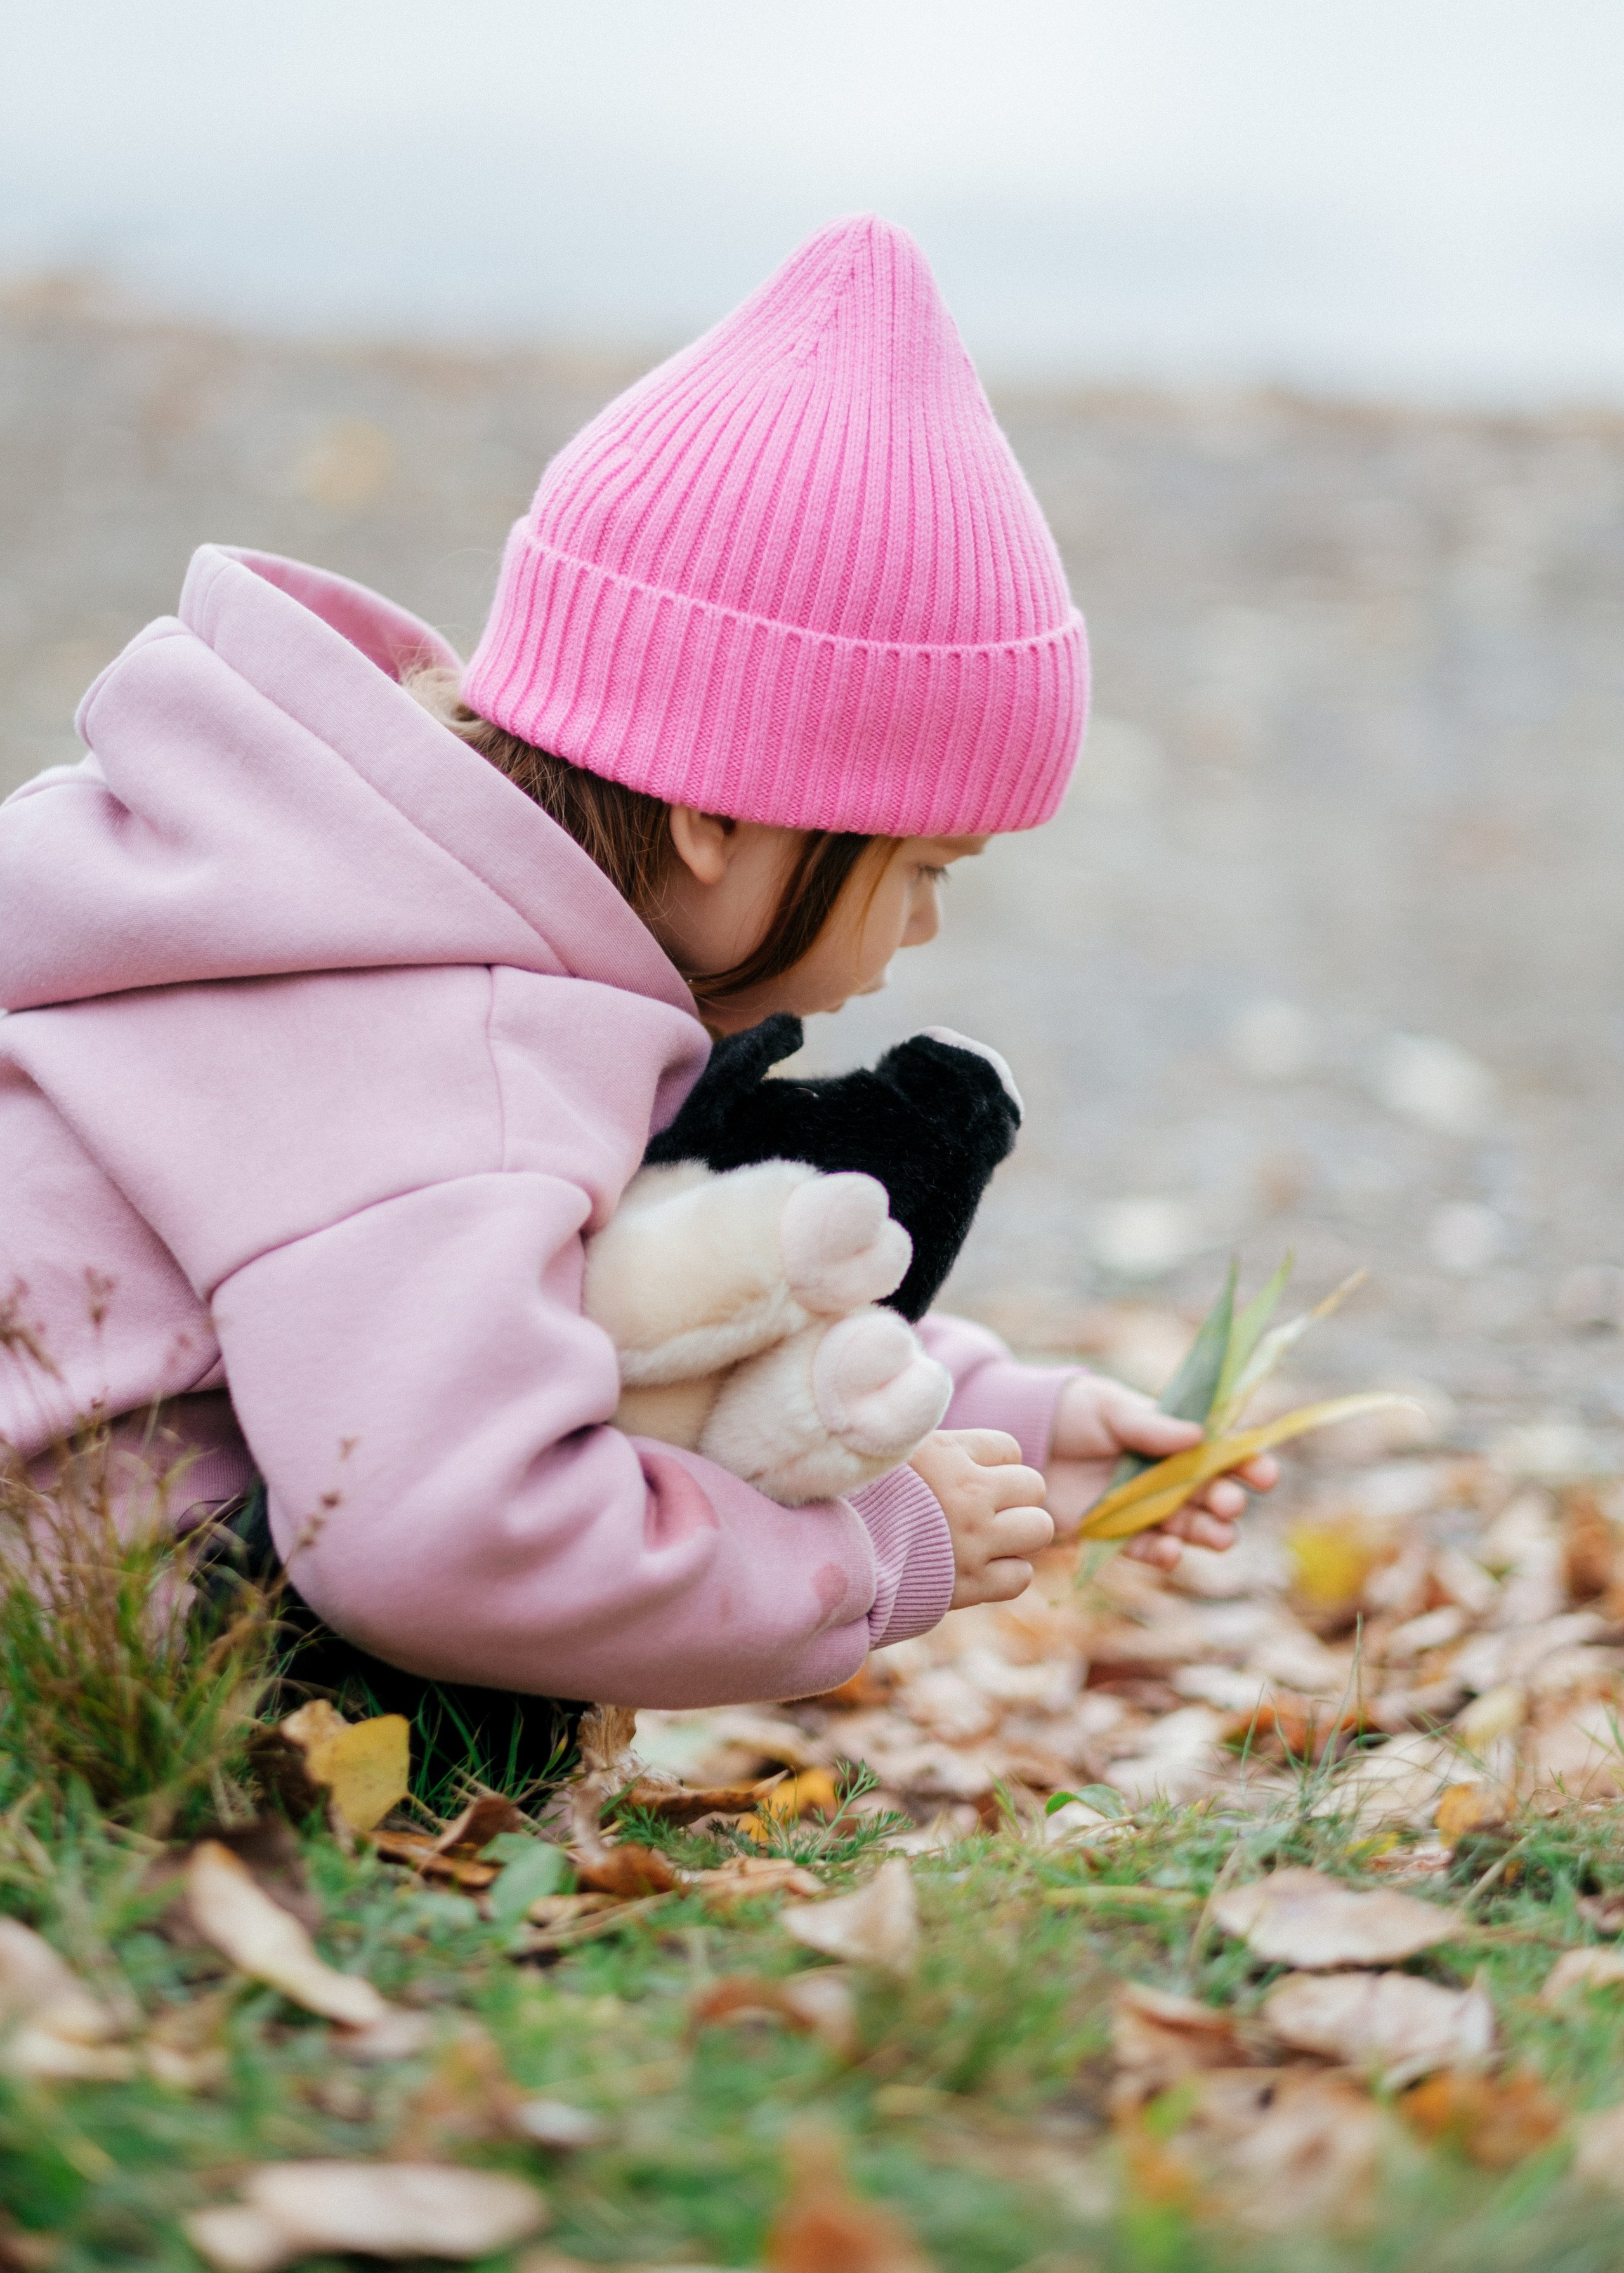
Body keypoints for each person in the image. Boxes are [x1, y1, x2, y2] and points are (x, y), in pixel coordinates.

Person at [0, 217, 1273, 1770]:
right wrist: (871, 1557)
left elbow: (603, 1299)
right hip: (67, 1644)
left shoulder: (348, 880)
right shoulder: (449, 1040)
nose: (926, 926)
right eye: (925, 865)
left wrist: (996, 1417)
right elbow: (447, 1536)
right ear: (717, 815)